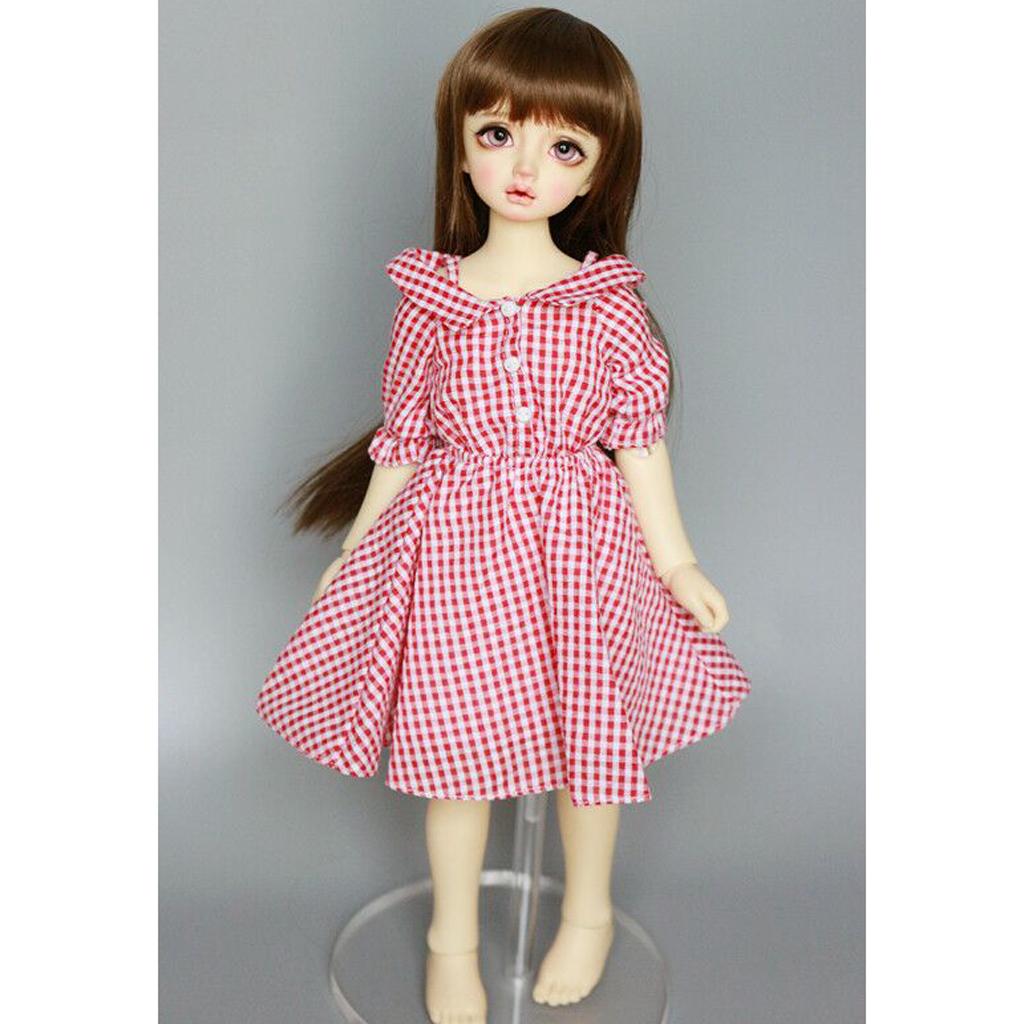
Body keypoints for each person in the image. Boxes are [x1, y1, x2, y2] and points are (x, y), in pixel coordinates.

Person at [256, 8, 751, 1022]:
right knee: (457, 757)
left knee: (589, 745)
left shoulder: (606, 305)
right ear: (460, 146)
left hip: (581, 549)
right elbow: (402, 439)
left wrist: (677, 561)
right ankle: (451, 940)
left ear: (598, 174)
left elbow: (638, 440)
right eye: (497, 134)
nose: (525, 166)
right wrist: (353, 548)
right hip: (458, 555)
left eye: (564, 147)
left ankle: (588, 914)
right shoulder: (431, 300)